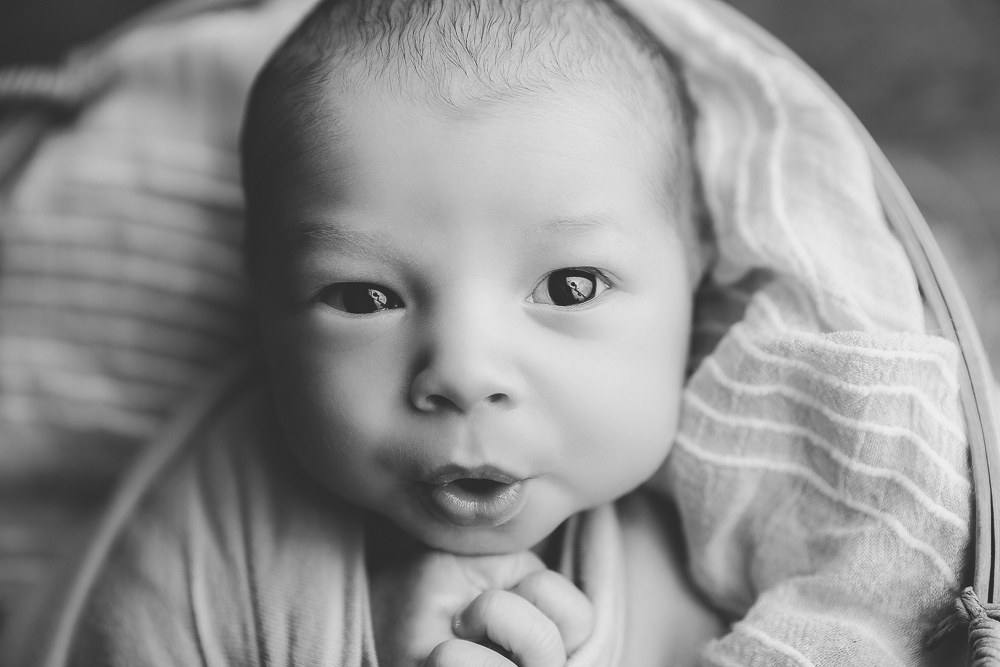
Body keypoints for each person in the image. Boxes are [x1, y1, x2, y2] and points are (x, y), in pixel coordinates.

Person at [64, 0, 971, 664]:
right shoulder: (205, 525)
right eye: (362, 296)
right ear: (259, 301)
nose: (463, 371)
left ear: (696, 271)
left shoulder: (742, 536)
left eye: (570, 285)